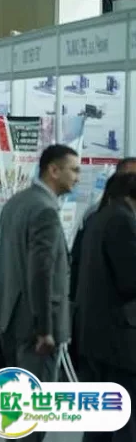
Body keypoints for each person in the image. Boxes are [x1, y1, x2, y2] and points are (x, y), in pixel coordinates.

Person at [0, 144, 79, 442]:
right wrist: (45, 328)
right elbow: (41, 274)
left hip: (10, 317)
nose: (77, 177)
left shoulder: (18, 202)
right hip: (35, 325)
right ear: (54, 170)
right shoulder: (45, 211)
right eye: (73, 170)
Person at [75, 173, 136, 442]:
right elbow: (130, 280)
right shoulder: (122, 221)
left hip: (95, 333)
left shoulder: (98, 219)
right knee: (124, 419)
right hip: (118, 338)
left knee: (100, 420)